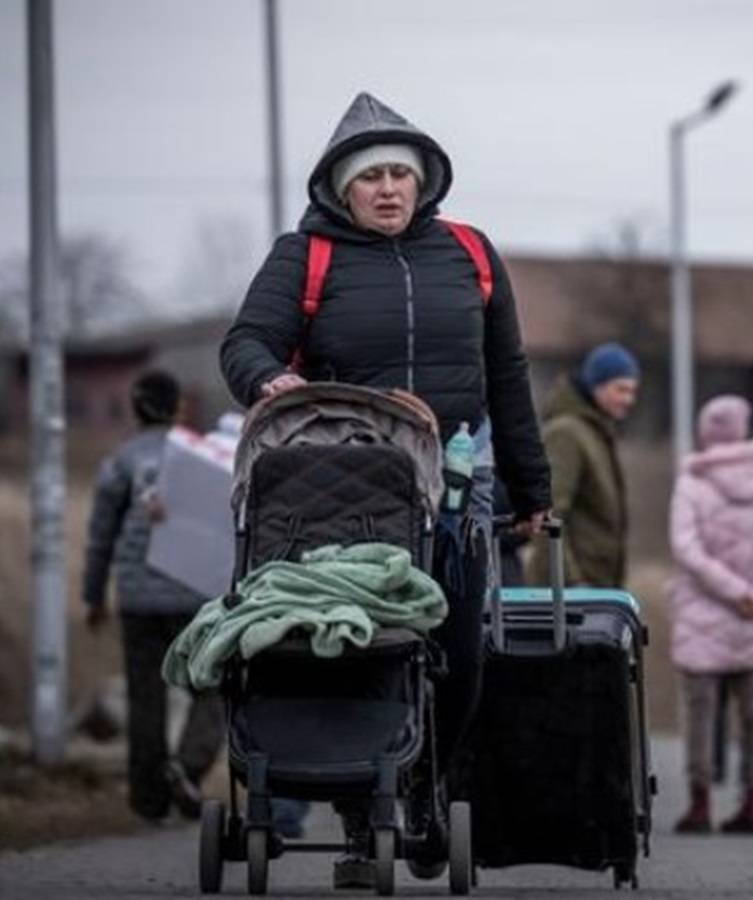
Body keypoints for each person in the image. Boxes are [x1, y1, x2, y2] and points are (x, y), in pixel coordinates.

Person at [219, 92, 551, 888]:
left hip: (460, 475)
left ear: (425, 180)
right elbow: (246, 342)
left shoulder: (470, 252)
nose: (390, 189)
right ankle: (365, 812)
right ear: (340, 188)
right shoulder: (304, 257)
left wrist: (531, 486)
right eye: (372, 178)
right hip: (346, 478)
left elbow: (507, 374)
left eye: (403, 173)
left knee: (461, 642)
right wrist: (272, 380)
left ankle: (431, 787)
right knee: (363, 640)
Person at [82, 370, 226, 824]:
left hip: (138, 597)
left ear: (136, 407)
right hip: (196, 594)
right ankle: (187, 766)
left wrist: (93, 595)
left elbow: (101, 534)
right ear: (179, 406)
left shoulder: (120, 462)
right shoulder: (204, 455)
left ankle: (149, 799)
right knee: (215, 683)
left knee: (146, 696)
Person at [668, 396, 753, 835]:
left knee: (701, 712)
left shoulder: (691, 483)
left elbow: (685, 547)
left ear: (706, 430)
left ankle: (700, 805)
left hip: (701, 614)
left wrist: (730, 589)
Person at [527, 342, 639, 587]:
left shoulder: (597, 433)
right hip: (570, 594)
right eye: (621, 389)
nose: (628, 399)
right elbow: (549, 514)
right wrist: (571, 582)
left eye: (632, 391)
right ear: (597, 385)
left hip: (596, 589)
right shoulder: (567, 434)